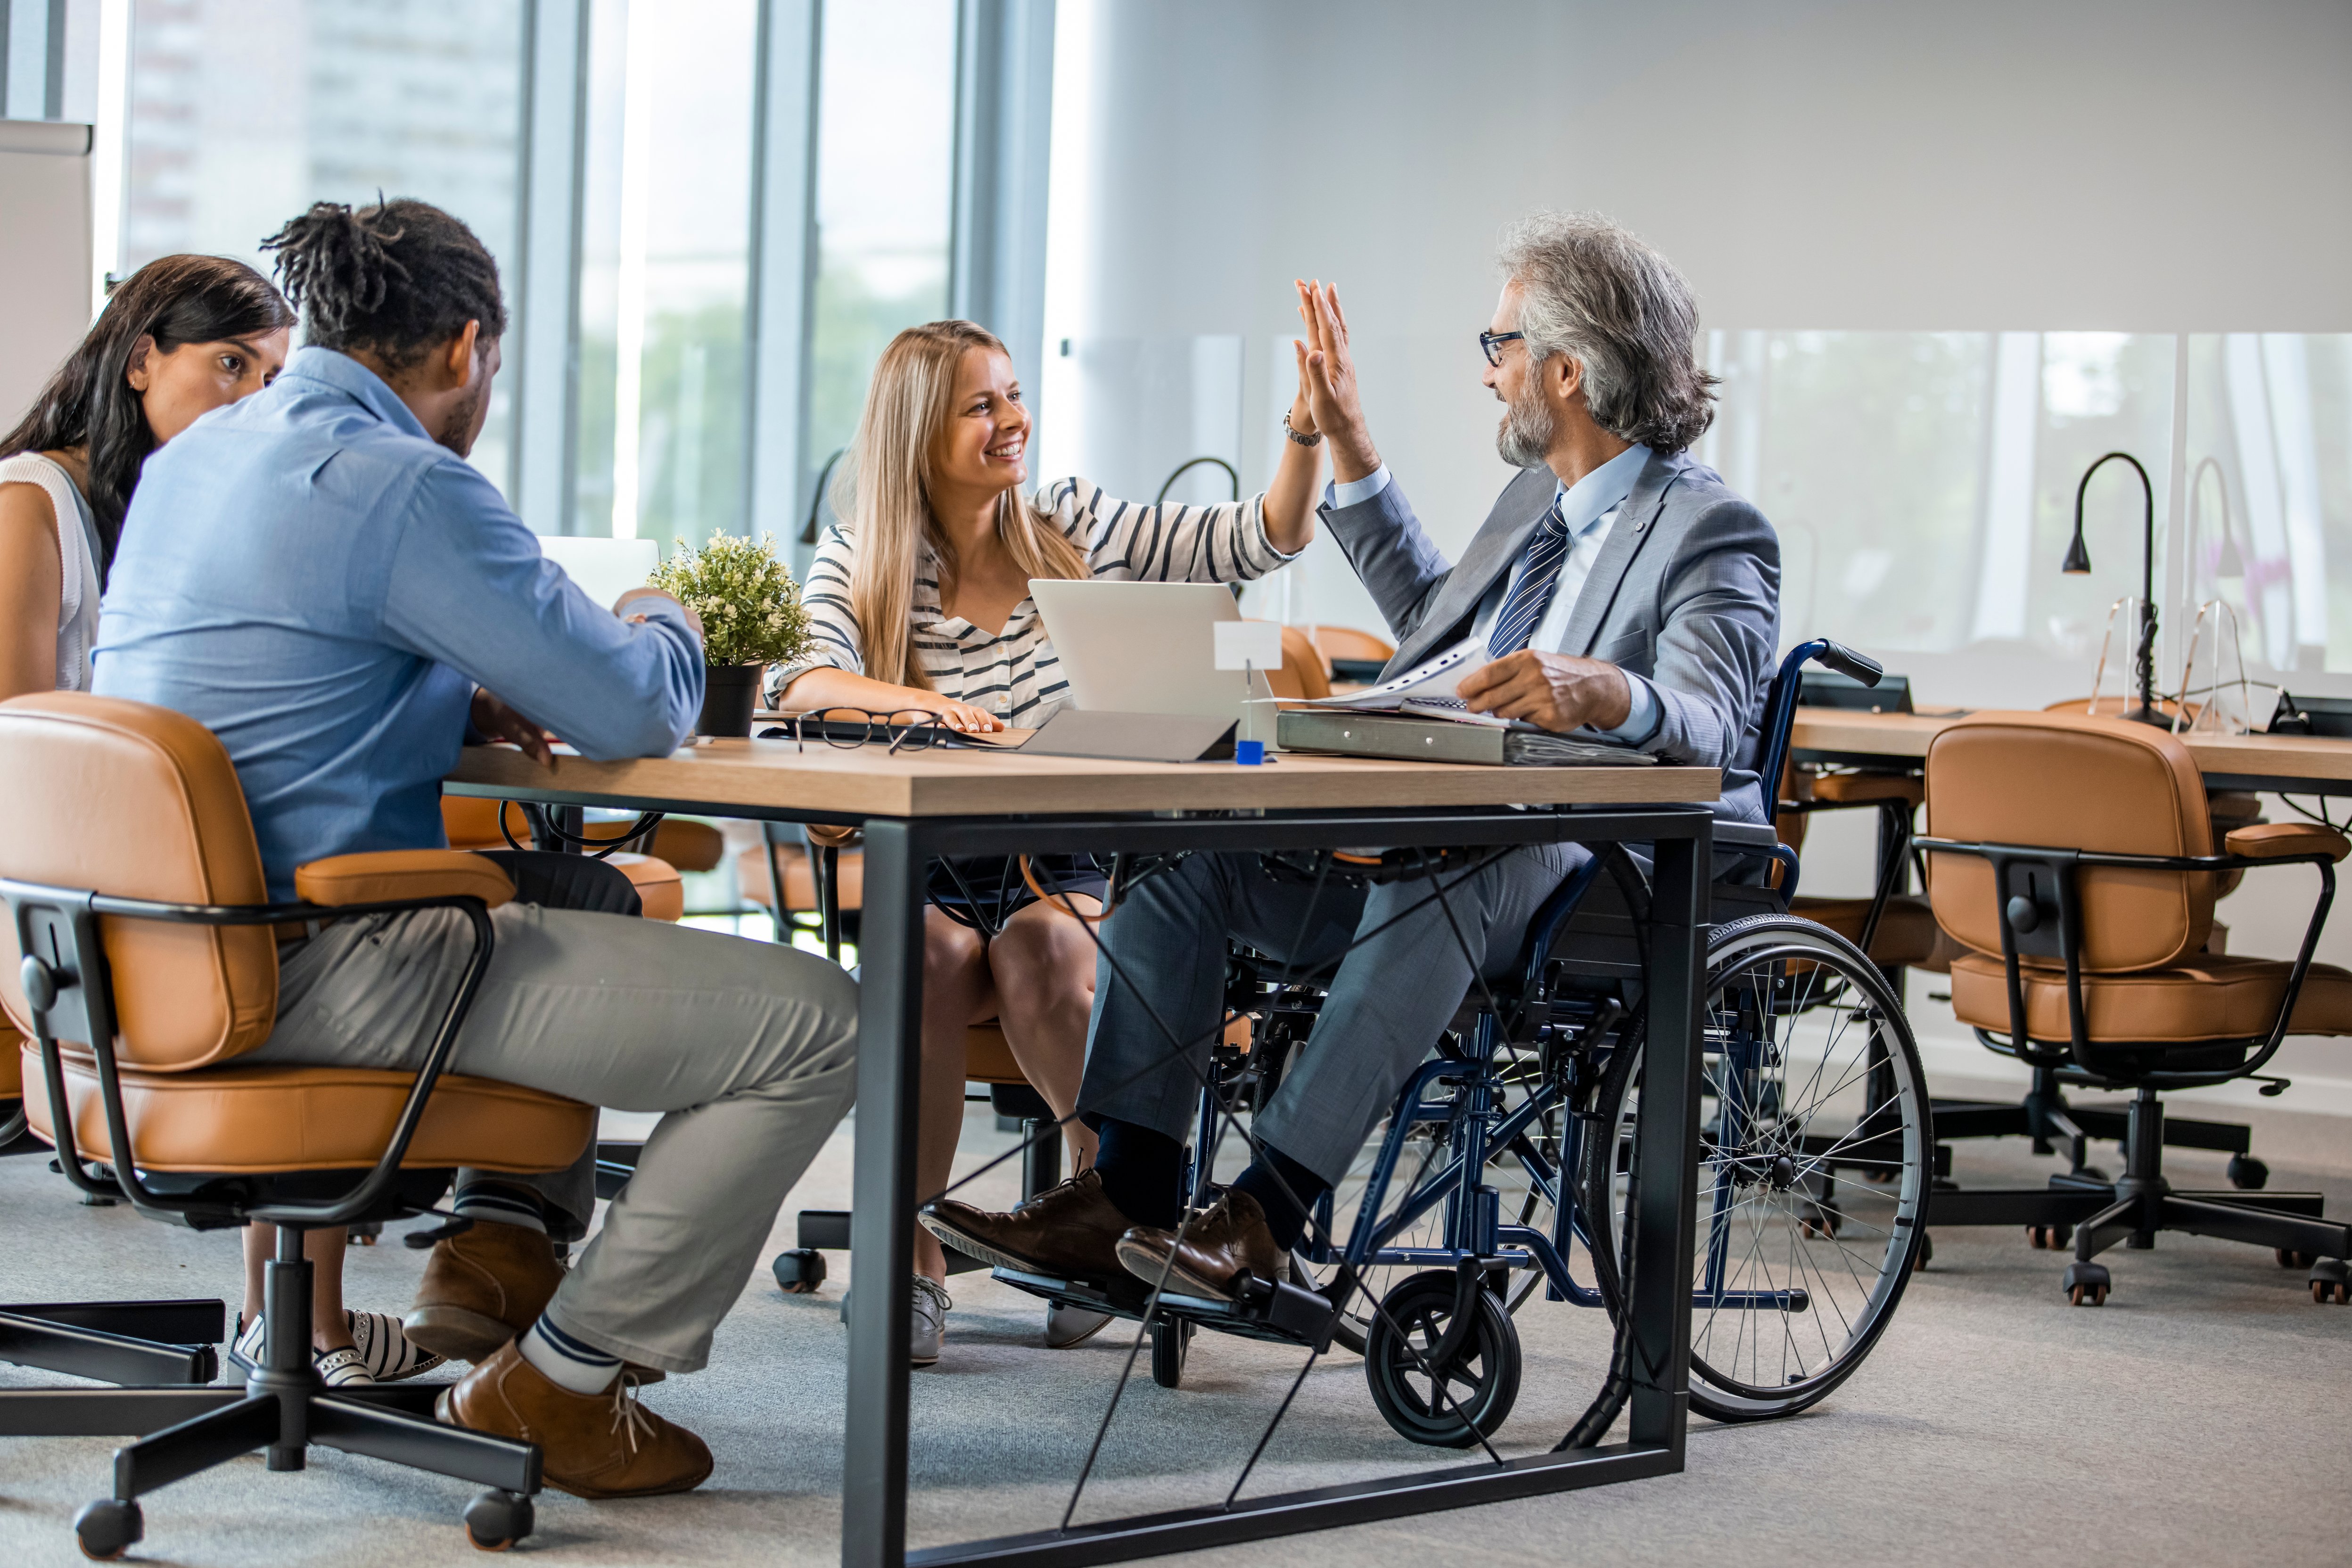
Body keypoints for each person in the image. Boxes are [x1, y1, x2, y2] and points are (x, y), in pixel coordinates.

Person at [94, 197, 858, 1499]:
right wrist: (663, 608)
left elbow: (275, 667)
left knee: (578, 888)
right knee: (820, 1021)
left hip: (132, 958)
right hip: (312, 958)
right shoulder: (401, 483)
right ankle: (561, 1382)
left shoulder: (200, 456)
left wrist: (447, 688)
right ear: (466, 350)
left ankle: (497, 1251)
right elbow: (632, 705)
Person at [923, 212, 1780, 1305]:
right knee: (1183, 858)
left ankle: (1262, 1217)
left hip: (1585, 879)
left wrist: (1603, 687)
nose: (1487, 373)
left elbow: (1713, 717)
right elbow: (1438, 629)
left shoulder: (1708, 528)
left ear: (1566, 372)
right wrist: (1350, 445)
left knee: (1468, 856)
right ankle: (1124, 1193)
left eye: (1499, 346)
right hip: (1428, 841)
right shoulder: (1535, 505)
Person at [773, 317, 1324, 1363]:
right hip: (930, 860)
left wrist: (1303, 435)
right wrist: (929, 710)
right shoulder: (868, 557)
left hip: (1068, 862)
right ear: (916, 432)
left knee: (1046, 950)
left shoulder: (1070, 523)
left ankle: (1105, 1217)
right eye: (980, 405)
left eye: (1013, 395)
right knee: (928, 960)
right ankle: (916, 1261)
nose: (1012, 420)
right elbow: (799, 681)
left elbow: (1256, 537)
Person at [1, 254, 293, 697]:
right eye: (232, 363)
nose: (257, 399)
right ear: (140, 361)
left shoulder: (187, 517)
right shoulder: (28, 500)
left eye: (271, 381)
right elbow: (13, 740)